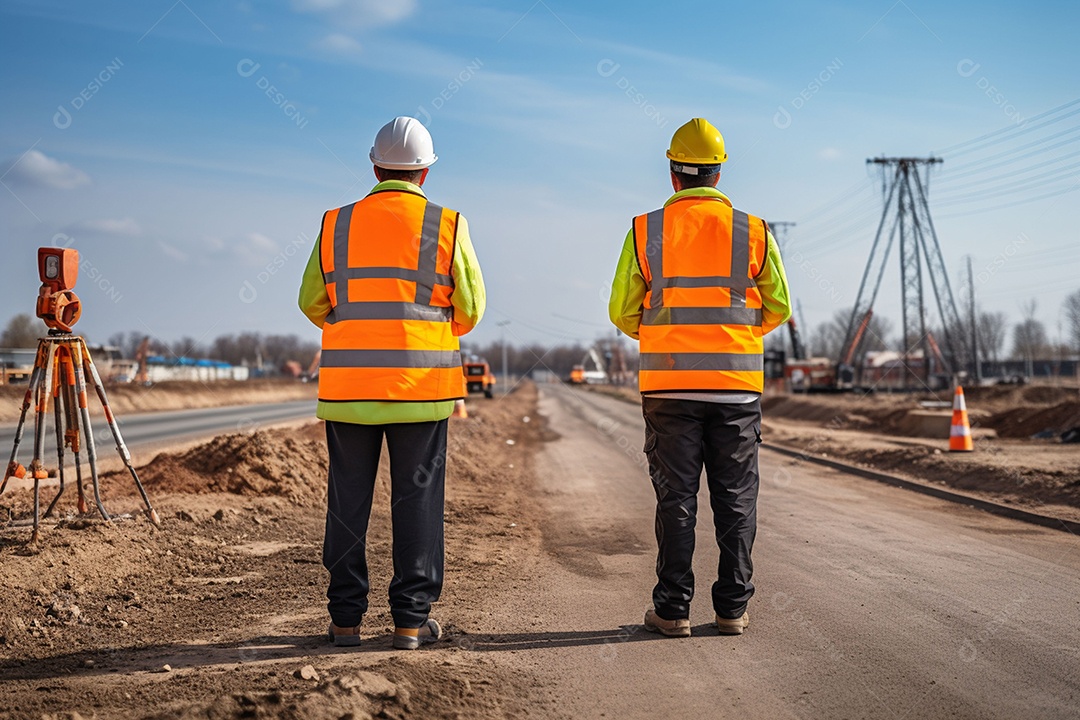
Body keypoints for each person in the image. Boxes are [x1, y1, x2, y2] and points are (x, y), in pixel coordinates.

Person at [298, 116, 485, 649]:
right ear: (424, 172)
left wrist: (358, 327)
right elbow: (469, 306)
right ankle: (409, 619)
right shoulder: (447, 224)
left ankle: (344, 621)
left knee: (348, 503)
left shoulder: (336, 223)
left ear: (375, 166)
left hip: (349, 391)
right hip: (421, 390)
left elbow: (311, 301)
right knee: (418, 502)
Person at [608, 118, 791, 637]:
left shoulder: (646, 230)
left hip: (668, 388)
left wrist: (666, 334)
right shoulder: (752, 230)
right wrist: (736, 335)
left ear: (673, 174)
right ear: (717, 173)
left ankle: (672, 611)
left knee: (676, 499)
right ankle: (732, 610)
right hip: (735, 388)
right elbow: (779, 305)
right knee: (735, 500)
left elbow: (622, 311)